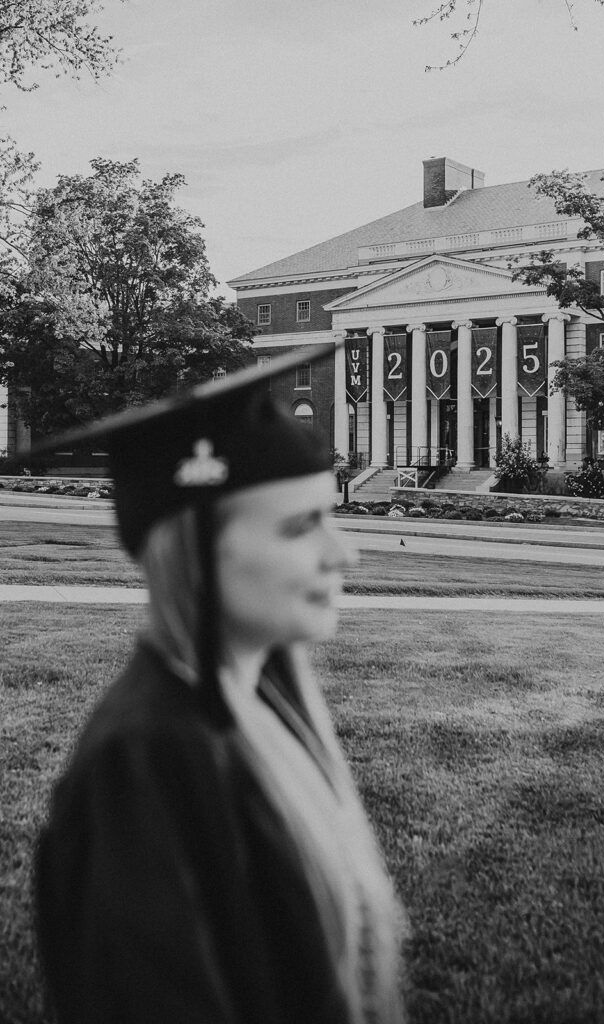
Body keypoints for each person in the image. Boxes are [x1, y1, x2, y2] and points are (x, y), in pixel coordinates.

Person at [34, 349, 405, 1024]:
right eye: (301, 525)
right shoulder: (140, 767)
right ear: (199, 551)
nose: (343, 553)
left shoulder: (260, 708)